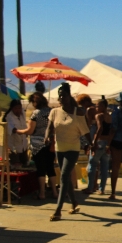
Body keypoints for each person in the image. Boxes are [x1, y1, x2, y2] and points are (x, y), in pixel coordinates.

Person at [45, 83, 93, 221]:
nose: (61, 98)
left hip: (73, 148)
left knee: (64, 175)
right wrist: (47, 137)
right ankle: (74, 203)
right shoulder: (54, 112)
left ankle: (58, 209)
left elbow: (85, 131)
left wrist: (91, 144)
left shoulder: (77, 113)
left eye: (64, 95)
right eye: (60, 96)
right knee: (66, 178)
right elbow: (49, 127)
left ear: (69, 96)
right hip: (59, 148)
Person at [17, 92, 57, 199]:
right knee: (50, 168)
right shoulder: (52, 111)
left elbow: (30, 131)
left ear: (35, 102)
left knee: (41, 169)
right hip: (50, 143)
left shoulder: (35, 114)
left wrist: (18, 131)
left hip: (38, 145)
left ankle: (42, 193)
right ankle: (54, 192)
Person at [84, 99, 111, 196]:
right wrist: (109, 144)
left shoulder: (98, 116)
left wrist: (94, 143)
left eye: (97, 106)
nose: (96, 108)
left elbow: (100, 128)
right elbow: (111, 131)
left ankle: (90, 187)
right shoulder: (109, 116)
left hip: (99, 142)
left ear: (103, 106)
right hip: (106, 143)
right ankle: (101, 189)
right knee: (104, 168)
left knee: (92, 165)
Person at [4, 100, 28, 167]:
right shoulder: (9, 117)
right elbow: (13, 129)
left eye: (19, 108)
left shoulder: (22, 114)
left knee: (25, 164)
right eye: (16, 108)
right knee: (16, 166)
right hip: (14, 147)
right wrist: (22, 131)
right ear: (12, 108)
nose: (18, 110)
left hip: (24, 145)